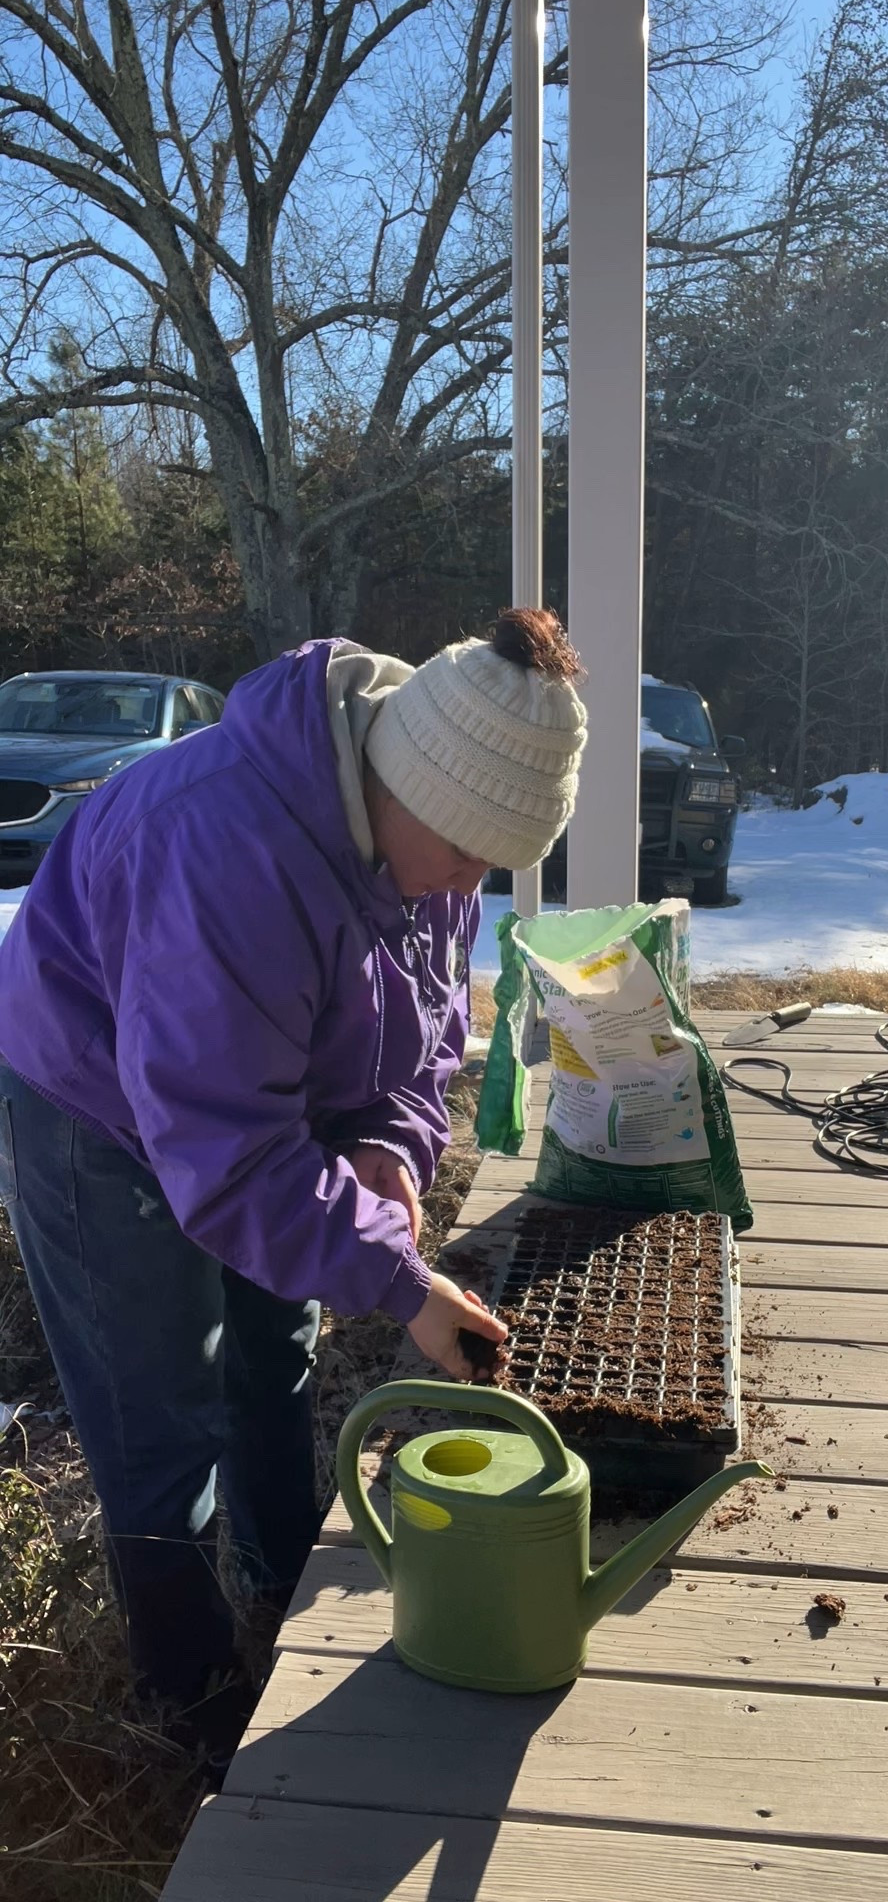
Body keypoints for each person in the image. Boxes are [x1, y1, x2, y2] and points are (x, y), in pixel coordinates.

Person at [0, 608, 587, 1768]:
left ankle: (275, 1591)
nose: (469, 885)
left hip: (256, 1098)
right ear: (393, 784)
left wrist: (390, 1149)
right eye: (467, 856)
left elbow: (423, 1034)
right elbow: (225, 1157)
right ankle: (192, 1691)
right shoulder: (219, 851)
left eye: (490, 866)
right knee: (157, 1399)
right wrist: (401, 1279)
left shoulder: (435, 826)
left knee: (278, 1348)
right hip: (97, 1103)